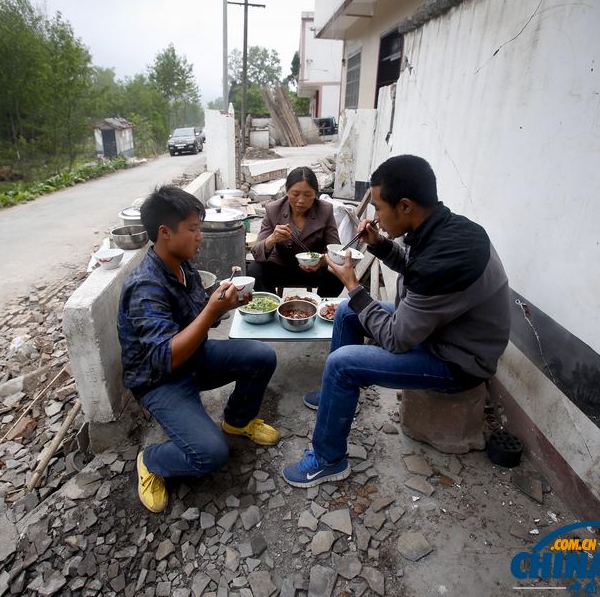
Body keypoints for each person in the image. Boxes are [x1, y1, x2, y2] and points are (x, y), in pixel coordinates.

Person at [282, 155, 512, 488]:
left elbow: (395, 339)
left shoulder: (445, 260)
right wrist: (379, 244)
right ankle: (336, 400)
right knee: (348, 313)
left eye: (378, 208)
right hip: (440, 328)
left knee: (341, 363)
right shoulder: (441, 229)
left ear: (405, 206)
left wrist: (353, 285)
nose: (375, 217)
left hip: (457, 359)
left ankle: (328, 459)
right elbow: (412, 267)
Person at [118, 186, 281, 513]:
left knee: (262, 356)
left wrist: (223, 306)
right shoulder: (144, 286)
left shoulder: (182, 265)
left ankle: (237, 420)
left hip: (192, 359)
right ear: (165, 233)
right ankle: (151, 461)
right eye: (193, 229)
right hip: (160, 380)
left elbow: (196, 318)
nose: (200, 237)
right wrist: (210, 312)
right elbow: (166, 356)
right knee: (211, 453)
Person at [248, 166, 344, 297]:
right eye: (295, 194)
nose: (301, 200)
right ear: (287, 191)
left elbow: (335, 249)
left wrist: (321, 261)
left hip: (313, 271)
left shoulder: (325, 210)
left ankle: (322, 308)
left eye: (308, 195)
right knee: (254, 270)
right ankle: (272, 307)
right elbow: (256, 252)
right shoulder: (273, 209)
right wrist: (272, 239)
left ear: (315, 194)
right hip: (280, 268)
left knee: (338, 273)